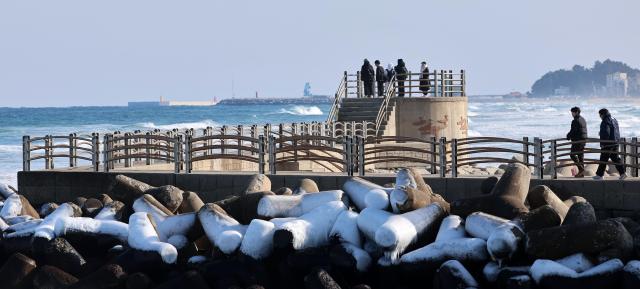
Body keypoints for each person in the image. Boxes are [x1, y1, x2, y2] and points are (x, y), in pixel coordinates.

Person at [594, 108, 627, 179]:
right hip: (615, 142)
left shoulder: (605, 121)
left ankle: (599, 175)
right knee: (615, 158)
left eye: (600, 115)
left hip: (608, 143)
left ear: (602, 114)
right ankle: (623, 173)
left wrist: (603, 142)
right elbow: (616, 130)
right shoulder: (614, 119)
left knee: (603, 158)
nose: (600, 117)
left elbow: (606, 132)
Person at [566, 107, 587, 177]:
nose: (572, 114)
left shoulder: (575, 120)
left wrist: (568, 136)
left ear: (576, 112)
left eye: (573, 112)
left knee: (572, 155)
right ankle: (582, 174)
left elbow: (573, 131)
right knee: (580, 156)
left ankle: (581, 169)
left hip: (577, 141)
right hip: (583, 140)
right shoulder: (583, 119)